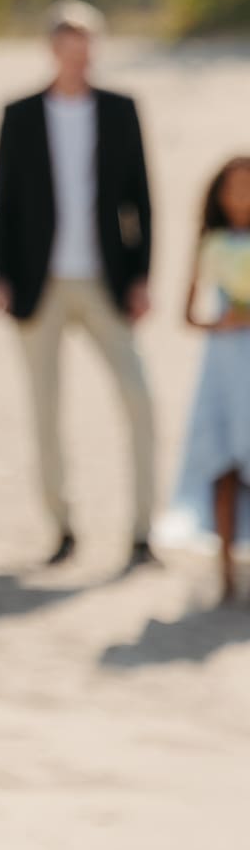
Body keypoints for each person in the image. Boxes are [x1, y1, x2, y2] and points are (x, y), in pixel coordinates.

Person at [0, 0, 158, 570]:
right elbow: (2, 204)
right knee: (46, 411)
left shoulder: (120, 110)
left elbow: (142, 200)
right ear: (53, 48)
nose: (79, 55)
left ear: (96, 48)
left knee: (139, 399)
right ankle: (62, 527)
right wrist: (0, 278)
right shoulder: (20, 114)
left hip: (106, 282)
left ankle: (142, 531)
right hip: (40, 285)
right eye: (69, 44)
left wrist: (142, 278)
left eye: (87, 44)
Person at [167, 156, 250, 603]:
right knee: (224, 461)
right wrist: (221, 324)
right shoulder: (212, 244)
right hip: (222, 362)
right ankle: (225, 570)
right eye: (234, 189)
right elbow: (188, 313)